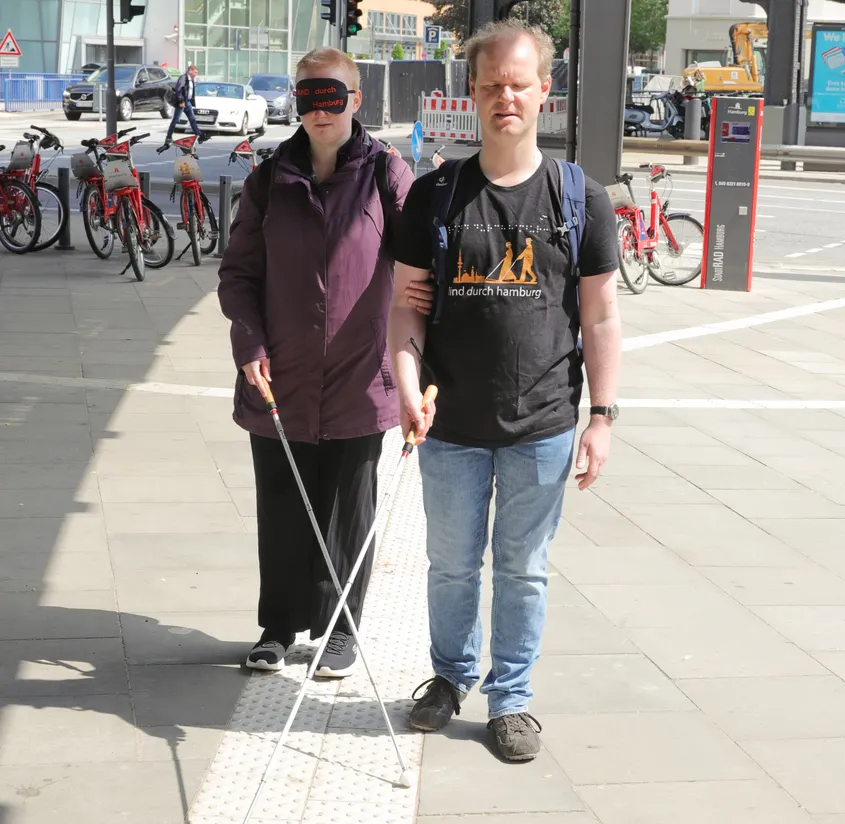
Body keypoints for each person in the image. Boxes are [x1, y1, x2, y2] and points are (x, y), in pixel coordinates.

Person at [387, 20, 622, 761]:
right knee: (452, 563)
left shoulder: (579, 196)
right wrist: (404, 384)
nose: (505, 97)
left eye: (519, 83)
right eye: (491, 85)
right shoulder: (434, 196)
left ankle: (511, 698)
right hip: (450, 423)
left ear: (544, 90)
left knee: (522, 568)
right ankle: (449, 678)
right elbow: (405, 307)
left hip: (544, 425)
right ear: (473, 93)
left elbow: (601, 315)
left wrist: (603, 417)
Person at [217, 47, 414, 677]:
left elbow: (418, 271)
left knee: (347, 510)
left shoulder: (387, 173)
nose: (320, 109)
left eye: (333, 95)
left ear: (356, 100)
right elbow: (239, 275)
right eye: (307, 96)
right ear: (295, 102)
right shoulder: (268, 179)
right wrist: (248, 343)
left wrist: (418, 362)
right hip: (280, 378)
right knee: (281, 506)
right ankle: (277, 626)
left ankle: (339, 630)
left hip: (361, 379)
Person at [164, 64, 201, 146]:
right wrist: (181, 101)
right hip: (182, 102)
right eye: (195, 72)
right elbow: (179, 89)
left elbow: (190, 91)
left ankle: (199, 135)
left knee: (192, 119)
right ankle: (168, 137)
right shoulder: (183, 78)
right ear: (190, 70)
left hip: (187, 102)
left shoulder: (191, 80)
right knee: (176, 120)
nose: (196, 74)